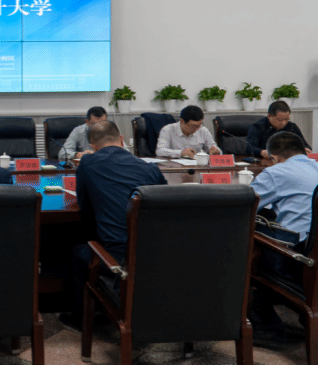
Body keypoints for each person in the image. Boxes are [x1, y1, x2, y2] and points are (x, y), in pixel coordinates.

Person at [65, 121, 167, 329]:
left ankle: (81, 318)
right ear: (121, 140)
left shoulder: (88, 163)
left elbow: (85, 208)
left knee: (78, 251)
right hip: (155, 254)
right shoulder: (149, 168)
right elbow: (164, 205)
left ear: (92, 146)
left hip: (118, 258)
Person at [248, 132, 318, 342]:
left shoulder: (276, 172)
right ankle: (315, 321)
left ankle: (266, 326)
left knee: (254, 243)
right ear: (303, 151)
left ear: (274, 157)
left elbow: (245, 204)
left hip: (302, 260)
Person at [247, 100, 312, 158]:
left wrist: (305, 149)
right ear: (269, 116)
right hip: (266, 161)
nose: (284, 123)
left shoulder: (292, 127)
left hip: (288, 161)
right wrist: (262, 152)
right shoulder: (258, 127)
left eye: (286, 119)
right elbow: (250, 148)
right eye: (280, 120)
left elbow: (305, 145)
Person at [155, 105, 222, 158]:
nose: (196, 129)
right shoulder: (168, 130)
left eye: (199, 125)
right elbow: (160, 151)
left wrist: (216, 151)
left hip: (197, 166)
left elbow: (214, 148)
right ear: (182, 121)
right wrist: (181, 153)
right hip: (174, 167)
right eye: (193, 126)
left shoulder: (203, 130)